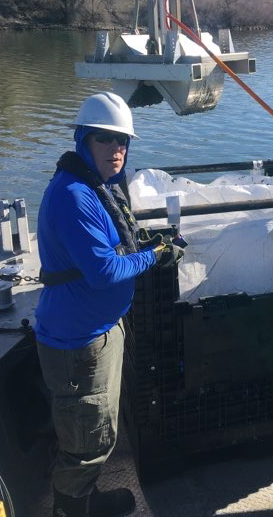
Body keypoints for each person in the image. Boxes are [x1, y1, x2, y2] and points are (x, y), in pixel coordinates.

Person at [35, 92, 176, 517]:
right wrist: (155, 256)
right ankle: (71, 510)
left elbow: (112, 248)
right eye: (106, 139)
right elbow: (102, 272)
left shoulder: (95, 187)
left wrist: (147, 245)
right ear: (83, 140)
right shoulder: (75, 196)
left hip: (97, 330)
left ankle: (87, 499)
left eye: (123, 141)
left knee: (97, 433)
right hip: (79, 343)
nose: (117, 149)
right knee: (88, 443)